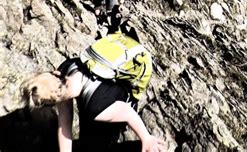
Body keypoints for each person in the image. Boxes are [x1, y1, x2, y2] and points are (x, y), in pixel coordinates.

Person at [22, 57, 166, 152]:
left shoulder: (96, 108)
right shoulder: (64, 70)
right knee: (89, 141)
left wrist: (146, 139)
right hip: (101, 94)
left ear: (55, 98)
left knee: (98, 143)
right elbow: (65, 121)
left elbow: (128, 112)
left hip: (117, 102)